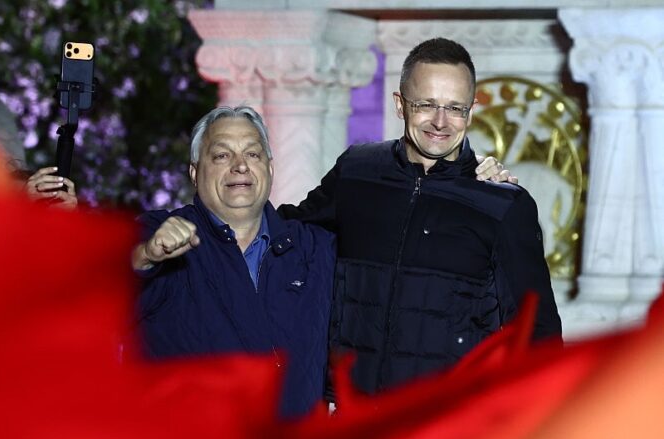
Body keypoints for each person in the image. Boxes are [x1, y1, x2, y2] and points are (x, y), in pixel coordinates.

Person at [279, 37, 562, 395]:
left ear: (472, 111)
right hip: (353, 410)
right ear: (400, 105)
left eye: (455, 108)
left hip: (445, 417)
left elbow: (537, 334)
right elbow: (283, 236)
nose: (440, 122)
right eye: (426, 104)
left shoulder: (503, 204)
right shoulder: (356, 172)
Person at [131, 106, 337, 419]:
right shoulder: (158, 234)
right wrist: (147, 254)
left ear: (269, 168)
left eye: (252, 154)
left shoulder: (314, 248)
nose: (240, 166)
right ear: (194, 172)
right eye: (222, 156)